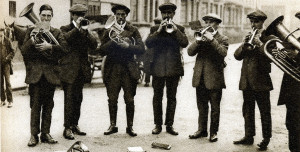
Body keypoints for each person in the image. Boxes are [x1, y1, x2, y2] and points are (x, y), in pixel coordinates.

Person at [21, 4, 68, 147]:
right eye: (43, 15)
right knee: (35, 106)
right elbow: (24, 51)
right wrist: (33, 37)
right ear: (39, 15)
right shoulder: (31, 30)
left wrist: (50, 47)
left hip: (50, 74)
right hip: (36, 74)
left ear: (51, 17)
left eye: (48, 16)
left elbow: (65, 49)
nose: (46, 18)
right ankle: (33, 135)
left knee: (49, 105)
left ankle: (46, 133)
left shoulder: (57, 32)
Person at [99, 4, 145, 137]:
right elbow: (101, 51)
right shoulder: (108, 30)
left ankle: (130, 127)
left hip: (128, 68)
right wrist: (114, 40)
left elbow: (142, 49)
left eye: (123, 15)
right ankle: (112, 125)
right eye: (118, 14)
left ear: (126, 16)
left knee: (129, 99)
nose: (120, 17)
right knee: (112, 99)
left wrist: (128, 46)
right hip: (112, 68)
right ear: (115, 15)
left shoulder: (133, 29)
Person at [233, 10, 274, 151]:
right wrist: (244, 44)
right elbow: (237, 56)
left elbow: (271, 58)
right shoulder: (248, 36)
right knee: (248, 110)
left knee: (264, 111)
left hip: (261, 81)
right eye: (251, 21)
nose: (253, 24)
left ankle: (266, 139)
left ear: (262, 22)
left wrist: (260, 44)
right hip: (246, 80)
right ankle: (248, 136)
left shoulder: (269, 37)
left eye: (256, 21)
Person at [145, 2, 188, 135]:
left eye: (169, 13)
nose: (167, 16)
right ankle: (158, 125)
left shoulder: (179, 28)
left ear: (173, 14)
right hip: (157, 68)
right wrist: (158, 31)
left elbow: (185, 43)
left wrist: (175, 30)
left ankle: (169, 125)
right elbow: (148, 43)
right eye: (164, 13)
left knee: (172, 97)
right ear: (161, 14)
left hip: (173, 69)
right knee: (157, 97)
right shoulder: (154, 29)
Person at [187, 13, 228, 142]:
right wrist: (198, 42)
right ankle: (202, 130)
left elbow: (223, 53)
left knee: (215, 108)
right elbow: (189, 52)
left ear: (217, 24)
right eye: (206, 22)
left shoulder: (222, 38)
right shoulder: (201, 36)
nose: (208, 24)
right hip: (200, 77)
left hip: (214, 78)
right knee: (202, 106)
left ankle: (213, 132)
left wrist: (212, 40)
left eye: (211, 22)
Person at [60, 4, 97, 140]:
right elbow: (65, 40)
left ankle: (75, 124)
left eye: (83, 15)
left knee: (78, 99)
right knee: (69, 99)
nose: (82, 17)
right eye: (79, 15)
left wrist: (86, 32)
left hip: (81, 70)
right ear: (73, 16)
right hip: (69, 69)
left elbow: (94, 45)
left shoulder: (85, 30)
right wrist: (77, 29)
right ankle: (67, 128)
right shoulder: (65, 29)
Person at [277, 12, 300, 152]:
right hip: (292, 90)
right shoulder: (296, 41)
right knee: (292, 124)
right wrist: (281, 55)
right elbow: (290, 61)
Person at [143, 17, 161, 87]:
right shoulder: (162, 29)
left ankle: (147, 81)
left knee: (148, 65)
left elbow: (145, 40)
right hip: (158, 51)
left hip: (150, 50)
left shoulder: (150, 29)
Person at [1, 25, 15, 108]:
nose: (0, 34)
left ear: (3, 32)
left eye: (1, 32)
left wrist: (7, 58)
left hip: (6, 65)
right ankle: (3, 100)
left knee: (8, 82)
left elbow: (13, 51)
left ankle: (10, 101)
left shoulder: (7, 40)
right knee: (0, 83)